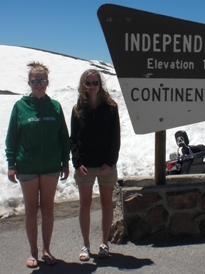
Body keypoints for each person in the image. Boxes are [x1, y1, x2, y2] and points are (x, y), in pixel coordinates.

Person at [5, 62, 70, 268]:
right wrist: (11, 163)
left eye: (42, 80)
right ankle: (33, 252)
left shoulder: (55, 107)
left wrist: (65, 162)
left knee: (48, 208)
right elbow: (12, 138)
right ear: (29, 83)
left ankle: (46, 250)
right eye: (35, 81)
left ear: (47, 82)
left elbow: (63, 137)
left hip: (51, 165)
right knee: (32, 209)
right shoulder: (20, 107)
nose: (39, 84)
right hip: (27, 166)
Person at [70, 69, 120, 261]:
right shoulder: (77, 109)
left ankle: (104, 243)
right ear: (83, 85)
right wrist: (77, 163)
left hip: (106, 165)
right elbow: (73, 138)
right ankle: (85, 244)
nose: (92, 87)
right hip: (85, 166)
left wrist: (110, 162)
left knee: (107, 204)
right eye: (88, 83)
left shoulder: (110, 107)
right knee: (85, 204)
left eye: (95, 83)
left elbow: (115, 137)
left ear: (100, 84)